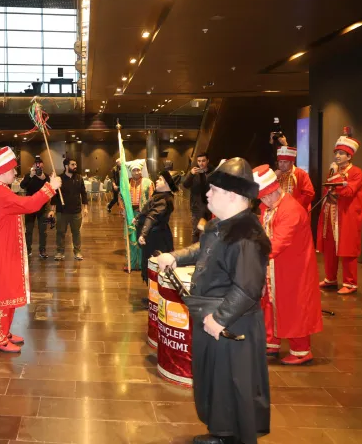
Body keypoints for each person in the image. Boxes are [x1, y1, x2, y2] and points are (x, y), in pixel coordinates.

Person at [157, 157, 271, 444]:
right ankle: (221, 432)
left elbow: (247, 288)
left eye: (214, 190)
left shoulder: (247, 234)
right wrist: (175, 256)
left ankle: (233, 437)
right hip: (212, 317)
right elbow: (203, 249)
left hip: (231, 324)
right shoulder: (222, 225)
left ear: (233, 196)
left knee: (233, 383)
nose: (207, 194)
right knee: (216, 381)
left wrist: (219, 319)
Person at [0, 147, 61, 353]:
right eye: (12, 170)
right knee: (3, 295)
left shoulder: (1, 188)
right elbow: (29, 205)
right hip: (1, 251)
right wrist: (49, 187)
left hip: (4, 248)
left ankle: (5, 332)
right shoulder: (0, 192)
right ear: (1, 171)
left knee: (7, 290)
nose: (15, 173)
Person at [253, 165, 323, 365]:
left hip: (292, 268)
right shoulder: (270, 206)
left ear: (275, 190)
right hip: (274, 266)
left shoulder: (291, 210)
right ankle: (271, 342)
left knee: (294, 306)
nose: (263, 201)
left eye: (265, 196)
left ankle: (301, 351)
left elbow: (278, 243)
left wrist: (251, 254)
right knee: (269, 302)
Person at [318, 134, 362, 295]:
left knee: (348, 249)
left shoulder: (357, 173)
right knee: (330, 247)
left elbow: (348, 192)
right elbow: (327, 190)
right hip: (330, 214)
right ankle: (330, 278)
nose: (337, 156)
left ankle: (351, 283)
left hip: (346, 216)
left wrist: (336, 177)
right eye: (336, 153)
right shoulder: (334, 171)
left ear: (349, 156)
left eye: (341, 153)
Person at [135, 170, 181, 284]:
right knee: (151, 265)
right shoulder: (159, 196)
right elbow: (147, 212)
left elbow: (152, 217)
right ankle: (153, 295)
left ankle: (156, 297)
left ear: (167, 185)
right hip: (154, 235)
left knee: (155, 266)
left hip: (156, 237)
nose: (156, 180)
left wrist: (143, 234)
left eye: (160, 179)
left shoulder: (164, 200)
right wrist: (138, 218)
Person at [50, 158, 88, 261]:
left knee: (76, 232)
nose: (75, 166)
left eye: (75, 164)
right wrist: (52, 210)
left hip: (76, 211)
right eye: (73, 164)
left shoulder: (79, 178)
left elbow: (83, 193)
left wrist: (85, 208)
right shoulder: (59, 179)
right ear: (66, 166)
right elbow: (54, 196)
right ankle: (59, 252)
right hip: (62, 212)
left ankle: (77, 252)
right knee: (60, 232)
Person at [20, 155, 49, 259]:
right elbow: (22, 186)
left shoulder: (45, 176)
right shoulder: (29, 175)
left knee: (43, 230)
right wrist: (31, 176)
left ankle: (42, 250)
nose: (39, 170)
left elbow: (50, 188)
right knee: (29, 229)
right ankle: (27, 249)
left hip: (42, 207)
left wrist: (44, 178)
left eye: (41, 168)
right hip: (29, 207)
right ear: (33, 167)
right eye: (37, 168)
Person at [182, 152, 212, 243]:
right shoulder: (194, 173)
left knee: (209, 230)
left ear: (207, 161)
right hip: (196, 207)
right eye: (199, 161)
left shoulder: (212, 173)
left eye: (203, 161)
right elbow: (185, 185)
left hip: (210, 207)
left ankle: (207, 252)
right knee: (196, 231)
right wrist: (191, 174)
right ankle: (194, 254)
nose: (201, 163)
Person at [274, 146, 314, 211]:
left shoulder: (301, 174)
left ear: (292, 163)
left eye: (285, 162)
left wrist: (293, 206)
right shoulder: (275, 175)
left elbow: (309, 194)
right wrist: (273, 178)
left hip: (296, 211)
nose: (282, 164)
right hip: (278, 212)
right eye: (280, 162)